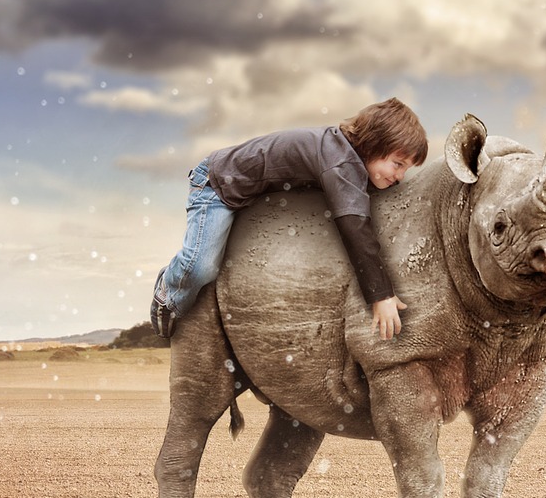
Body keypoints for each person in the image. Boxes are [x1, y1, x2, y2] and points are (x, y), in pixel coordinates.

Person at [150, 98, 428, 341]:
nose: (400, 176)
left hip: (256, 197)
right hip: (218, 185)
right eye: (397, 164)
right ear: (372, 145)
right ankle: (169, 290)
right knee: (203, 267)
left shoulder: (343, 154)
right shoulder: (339, 162)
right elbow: (355, 228)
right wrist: (381, 295)